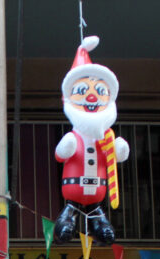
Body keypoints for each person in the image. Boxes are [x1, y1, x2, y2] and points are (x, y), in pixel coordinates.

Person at [53, 35, 130, 245]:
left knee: (103, 229)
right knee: (67, 224)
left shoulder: (105, 139)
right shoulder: (74, 137)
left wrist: (119, 149)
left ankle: (100, 228)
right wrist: (66, 147)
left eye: (99, 91)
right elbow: (60, 155)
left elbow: (116, 158)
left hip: (97, 195)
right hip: (74, 192)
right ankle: (64, 228)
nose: (92, 97)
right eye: (83, 91)